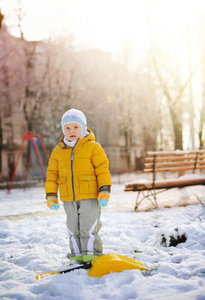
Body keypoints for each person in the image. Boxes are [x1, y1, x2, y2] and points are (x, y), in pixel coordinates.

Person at [45, 108, 111, 264]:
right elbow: (52, 175)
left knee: (88, 227)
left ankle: (92, 255)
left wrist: (105, 190)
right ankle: (76, 255)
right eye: (67, 128)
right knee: (72, 227)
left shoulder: (93, 147)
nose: (71, 131)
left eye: (75, 127)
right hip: (68, 197)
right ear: (63, 130)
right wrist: (51, 195)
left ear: (83, 128)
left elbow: (102, 169)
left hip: (90, 196)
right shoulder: (57, 152)